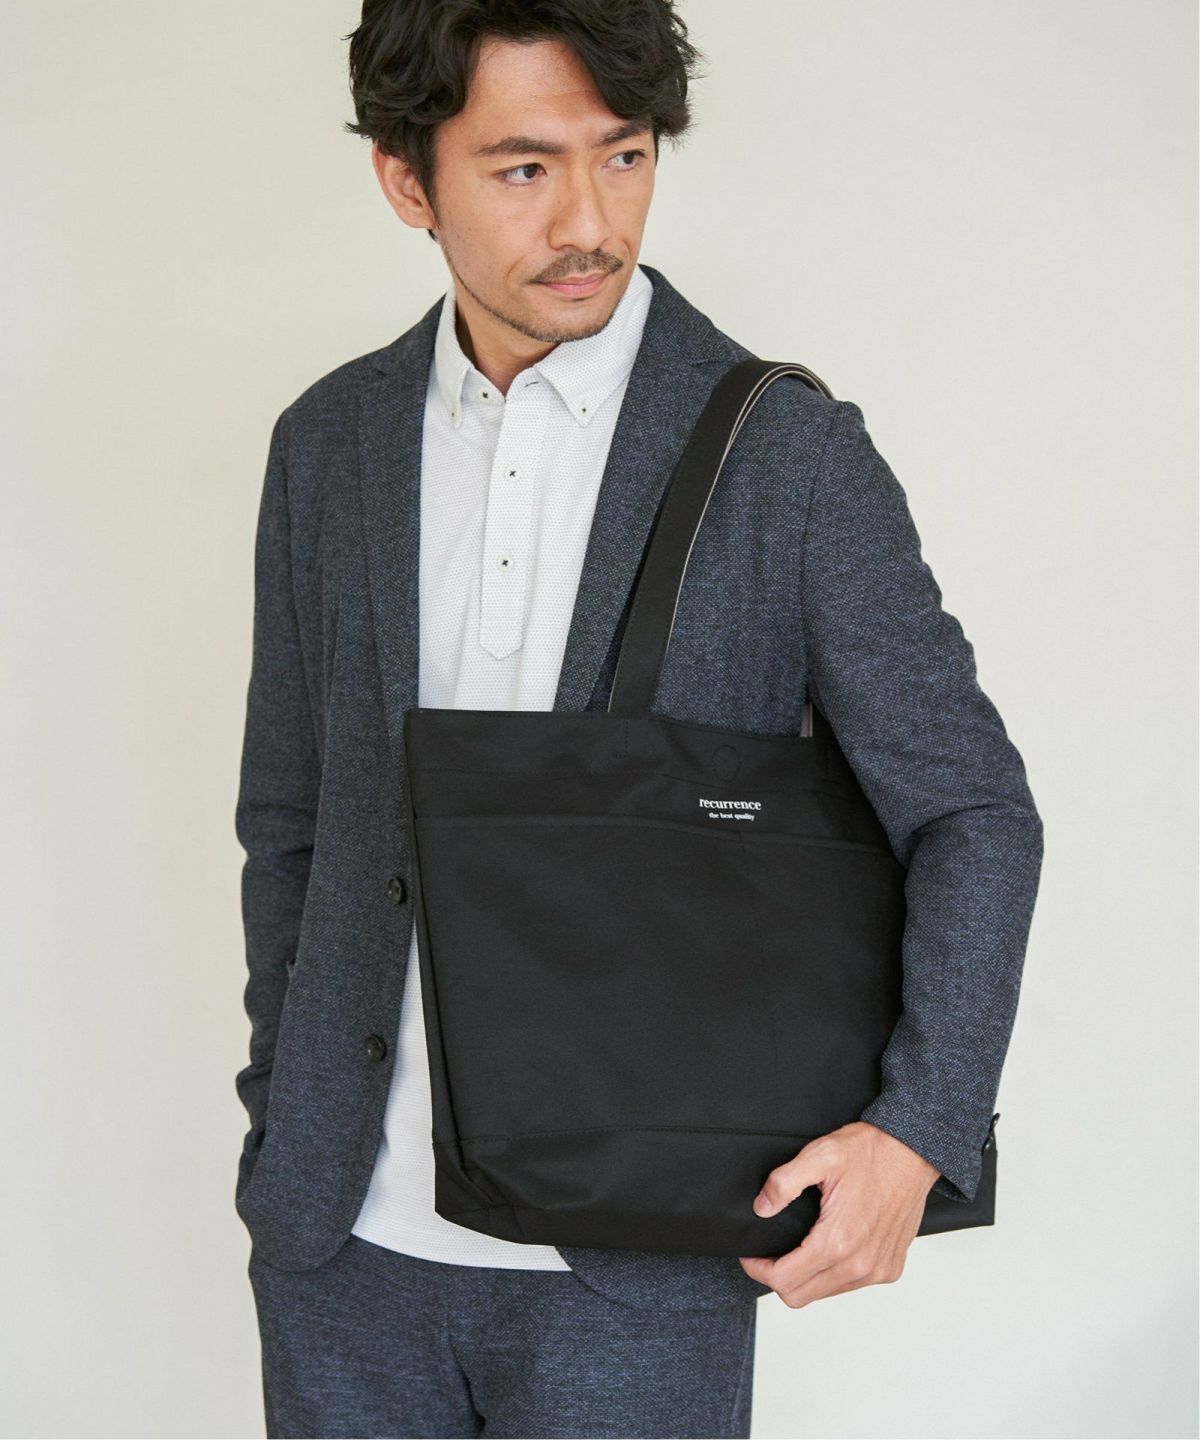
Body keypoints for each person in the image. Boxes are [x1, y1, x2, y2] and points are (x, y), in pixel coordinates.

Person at [234, 2, 1045, 1435]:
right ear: (407, 179)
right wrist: (279, 1110)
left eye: (624, 155)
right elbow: (292, 821)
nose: (591, 221)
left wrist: (919, 1127)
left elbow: (972, 809)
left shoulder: (786, 454)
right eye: (524, 168)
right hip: (341, 1250)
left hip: (636, 1268)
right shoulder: (330, 443)